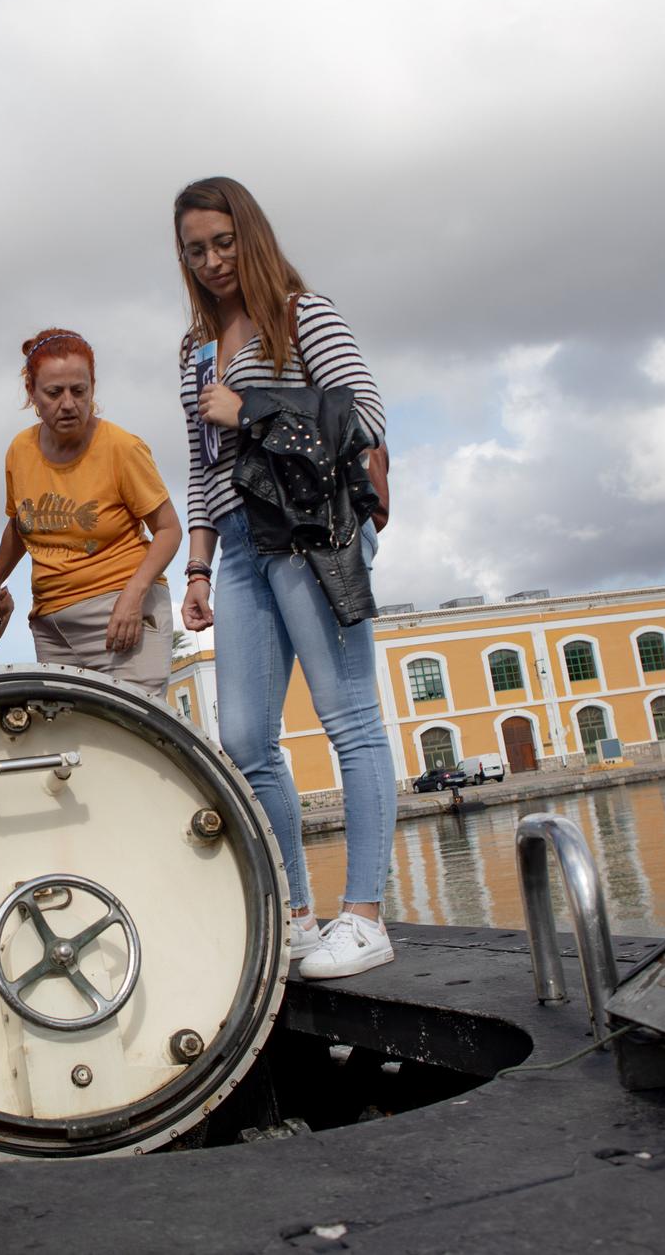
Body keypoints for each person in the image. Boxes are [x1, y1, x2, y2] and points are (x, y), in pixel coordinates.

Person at [172, 176, 396, 980]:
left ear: (252, 236)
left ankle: (366, 913)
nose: (213, 260)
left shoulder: (303, 314)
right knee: (242, 738)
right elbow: (202, 469)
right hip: (236, 545)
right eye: (197, 249)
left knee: (350, 718)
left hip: (309, 531)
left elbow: (362, 415)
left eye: (225, 242)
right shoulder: (194, 350)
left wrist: (253, 409)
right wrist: (195, 565)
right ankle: (297, 909)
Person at [0, 328, 182, 694]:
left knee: (133, 739)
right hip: (52, 625)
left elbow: (168, 529)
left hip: (120, 614)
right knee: (72, 745)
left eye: (79, 390)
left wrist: (133, 596)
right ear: (32, 394)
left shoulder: (121, 447)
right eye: (54, 393)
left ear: (93, 387)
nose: (69, 403)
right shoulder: (19, 451)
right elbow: (21, 524)